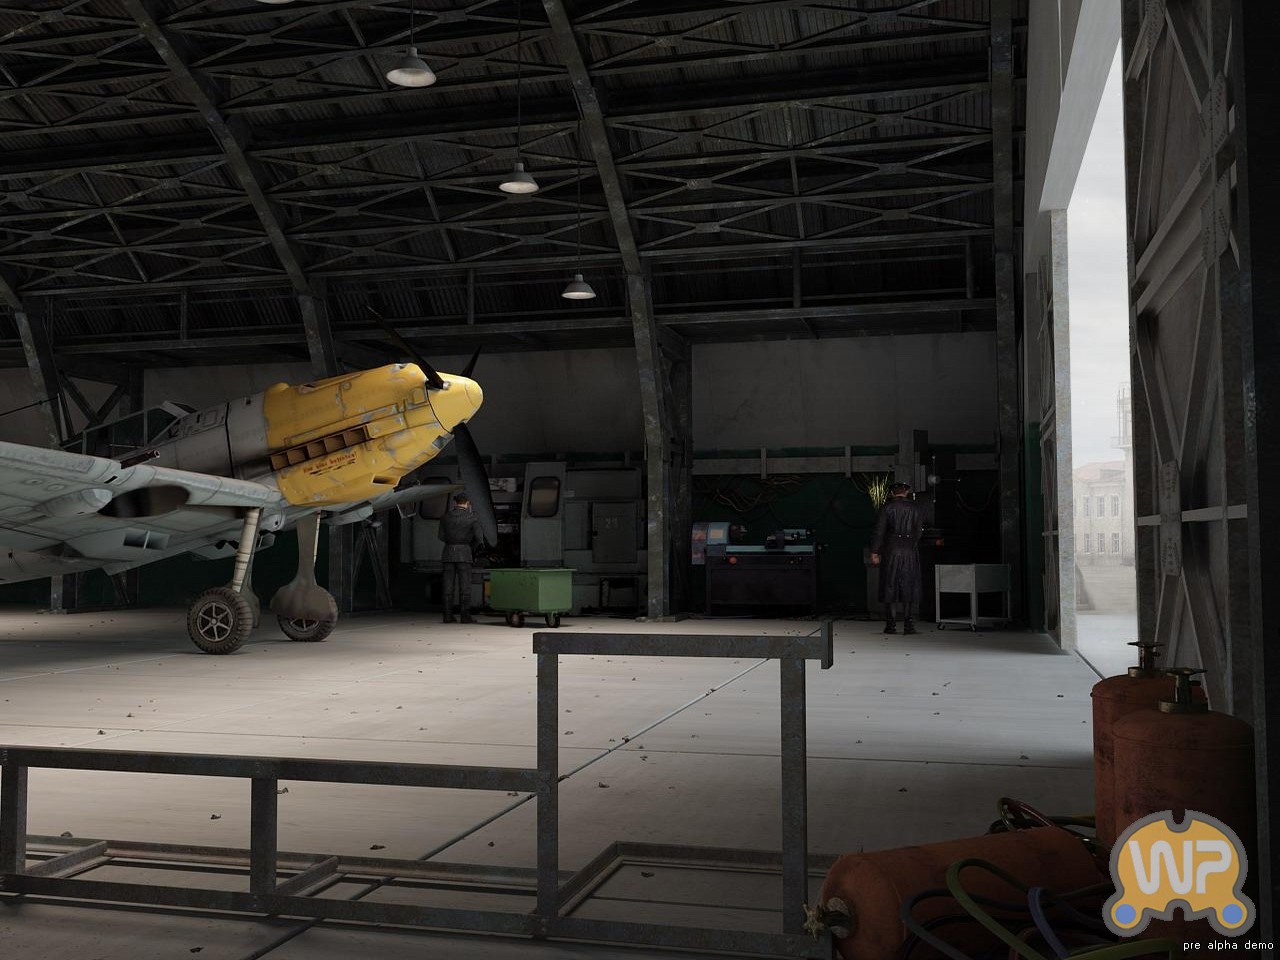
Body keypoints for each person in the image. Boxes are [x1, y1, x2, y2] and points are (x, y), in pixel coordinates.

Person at [870, 481, 925, 634]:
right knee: (909, 584)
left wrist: (875, 551)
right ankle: (909, 625)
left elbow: (879, 531)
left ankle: (891, 625)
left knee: (890, 584)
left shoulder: (887, 508)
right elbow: (919, 532)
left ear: (892, 493)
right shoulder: (916, 508)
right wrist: (910, 543)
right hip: (909, 550)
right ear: (906, 492)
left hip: (891, 550)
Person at [438, 492, 485, 623]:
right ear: (467, 503)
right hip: (464, 552)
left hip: (448, 552)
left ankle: (447, 615)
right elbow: (479, 538)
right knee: (465, 585)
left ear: (455, 503)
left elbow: (440, 536)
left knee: (448, 585)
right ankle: (465, 616)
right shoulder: (472, 517)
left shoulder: (445, 517)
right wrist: (473, 545)